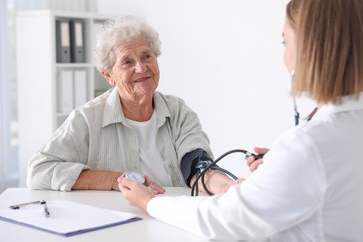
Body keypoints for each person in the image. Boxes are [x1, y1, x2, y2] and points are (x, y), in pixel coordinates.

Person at [117, 0, 363, 242]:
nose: (141, 68)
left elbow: (224, 219)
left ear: (312, 52)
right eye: (127, 62)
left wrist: (149, 202)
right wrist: (282, 169)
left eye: (285, 42)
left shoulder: (310, 146)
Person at [26, 15, 236, 193]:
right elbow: (38, 171)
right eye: (127, 62)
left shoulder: (179, 112)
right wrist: (116, 180)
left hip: (175, 218)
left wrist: (231, 187)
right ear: (108, 76)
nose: (141, 68)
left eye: (147, 56)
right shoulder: (87, 119)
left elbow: (197, 167)